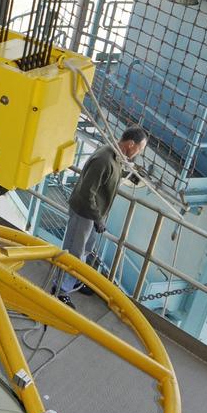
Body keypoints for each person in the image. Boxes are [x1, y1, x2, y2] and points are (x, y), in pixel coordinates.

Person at [53, 126, 148, 305]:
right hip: (84, 212)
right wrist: (97, 219)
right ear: (130, 144)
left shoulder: (116, 156)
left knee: (85, 249)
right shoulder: (104, 159)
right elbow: (86, 192)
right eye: (140, 148)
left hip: (92, 213)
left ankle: (74, 280)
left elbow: (110, 174)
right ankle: (59, 289)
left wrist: (128, 175)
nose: (139, 152)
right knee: (73, 252)